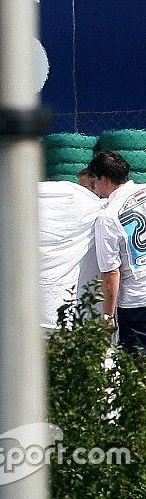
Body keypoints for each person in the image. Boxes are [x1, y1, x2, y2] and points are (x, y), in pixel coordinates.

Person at [87, 151, 146, 353]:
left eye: (93, 180)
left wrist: (107, 316)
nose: (93, 187)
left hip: (136, 303)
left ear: (104, 179)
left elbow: (111, 272)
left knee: (136, 371)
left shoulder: (108, 217)